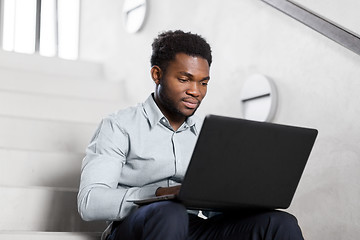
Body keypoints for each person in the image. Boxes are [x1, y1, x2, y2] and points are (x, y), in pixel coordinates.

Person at [77, 30, 304, 240]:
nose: (195, 91)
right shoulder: (119, 125)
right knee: (170, 212)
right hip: (133, 227)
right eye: (184, 79)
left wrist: (242, 198)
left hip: (191, 228)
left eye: (203, 82)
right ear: (157, 75)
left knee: (279, 223)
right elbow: (90, 202)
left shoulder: (209, 135)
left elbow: (212, 208)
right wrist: (160, 194)